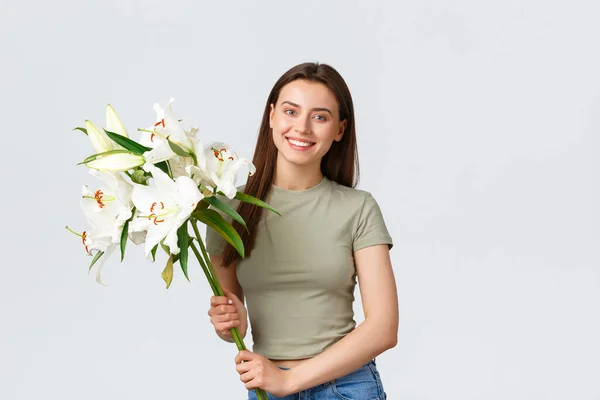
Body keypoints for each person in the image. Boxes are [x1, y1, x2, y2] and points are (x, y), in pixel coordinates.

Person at [205, 62, 398, 400]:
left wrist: (291, 381)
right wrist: (229, 323)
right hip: (268, 387)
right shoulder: (227, 210)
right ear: (272, 116)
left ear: (339, 130)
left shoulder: (358, 208)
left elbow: (384, 328)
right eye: (291, 111)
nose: (302, 127)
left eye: (320, 117)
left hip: (346, 387)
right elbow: (235, 318)